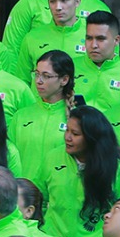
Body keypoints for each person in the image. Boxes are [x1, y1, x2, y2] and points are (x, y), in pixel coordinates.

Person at [41, 105, 120, 237]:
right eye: (67, 130)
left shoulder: (118, 170)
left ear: (92, 138)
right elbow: (40, 198)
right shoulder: (52, 157)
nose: (67, 137)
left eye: (75, 134)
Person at [11, 50, 77, 186]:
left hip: (59, 193)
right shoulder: (21, 116)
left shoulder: (76, 118)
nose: (38, 81)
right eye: (37, 74)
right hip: (23, 193)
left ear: (64, 80)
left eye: (46, 76)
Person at [15, 0, 88, 81]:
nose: (58, 7)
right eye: (52, 1)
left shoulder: (91, 36)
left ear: (77, 2)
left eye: (64, 0)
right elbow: (22, 81)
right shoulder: (32, 37)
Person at [74, 10, 120, 109]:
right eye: (89, 38)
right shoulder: (69, 68)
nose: (94, 45)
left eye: (100, 39)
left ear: (116, 40)